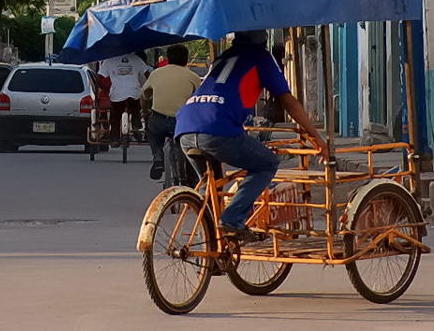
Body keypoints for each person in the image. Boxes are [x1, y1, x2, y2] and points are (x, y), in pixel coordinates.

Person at [176, 30, 327, 242]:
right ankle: (232, 219)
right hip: (218, 130)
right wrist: (317, 137)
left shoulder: (222, 58)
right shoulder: (261, 58)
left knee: (213, 189)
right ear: (263, 39)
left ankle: (213, 252)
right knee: (266, 163)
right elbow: (287, 101)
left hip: (184, 128)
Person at [140, 44, 201, 180]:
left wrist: (145, 112)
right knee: (189, 146)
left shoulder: (156, 73)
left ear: (168, 58)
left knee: (151, 131)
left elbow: (144, 95)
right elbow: (199, 100)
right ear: (186, 59)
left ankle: (158, 157)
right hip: (182, 122)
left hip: (159, 120)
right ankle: (191, 178)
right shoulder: (193, 76)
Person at [97, 52, 150, 143]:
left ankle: (114, 139)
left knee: (115, 116)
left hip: (117, 93)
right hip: (134, 92)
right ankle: (136, 126)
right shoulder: (136, 59)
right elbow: (147, 75)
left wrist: (105, 88)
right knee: (136, 110)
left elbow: (99, 77)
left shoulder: (109, 60)